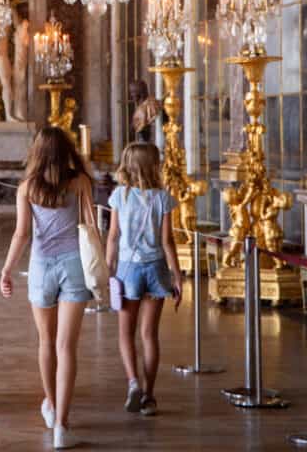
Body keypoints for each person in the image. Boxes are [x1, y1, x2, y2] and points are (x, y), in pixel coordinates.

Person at [0, 126, 94, 450]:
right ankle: (62, 427)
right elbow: (91, 227)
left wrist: (7, 269)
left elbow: (21, 234)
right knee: (67, 347)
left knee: (46, 342)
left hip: (42, 266)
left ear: (36, 152)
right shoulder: (80, 182)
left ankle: (52, 407)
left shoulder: (27, 188)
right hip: (75, 265)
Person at [106, 142, 183, 417]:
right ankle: (149, 397)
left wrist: (108, 268)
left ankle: (133, 382)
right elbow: (167, 241)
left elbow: (113, 236)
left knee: (126, 333)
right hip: (156, 269)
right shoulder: (162, 198)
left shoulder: (119, 196)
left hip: (128, 270)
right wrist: (177, 275)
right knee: (149, 335)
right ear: (154, 165)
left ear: (127, 165)